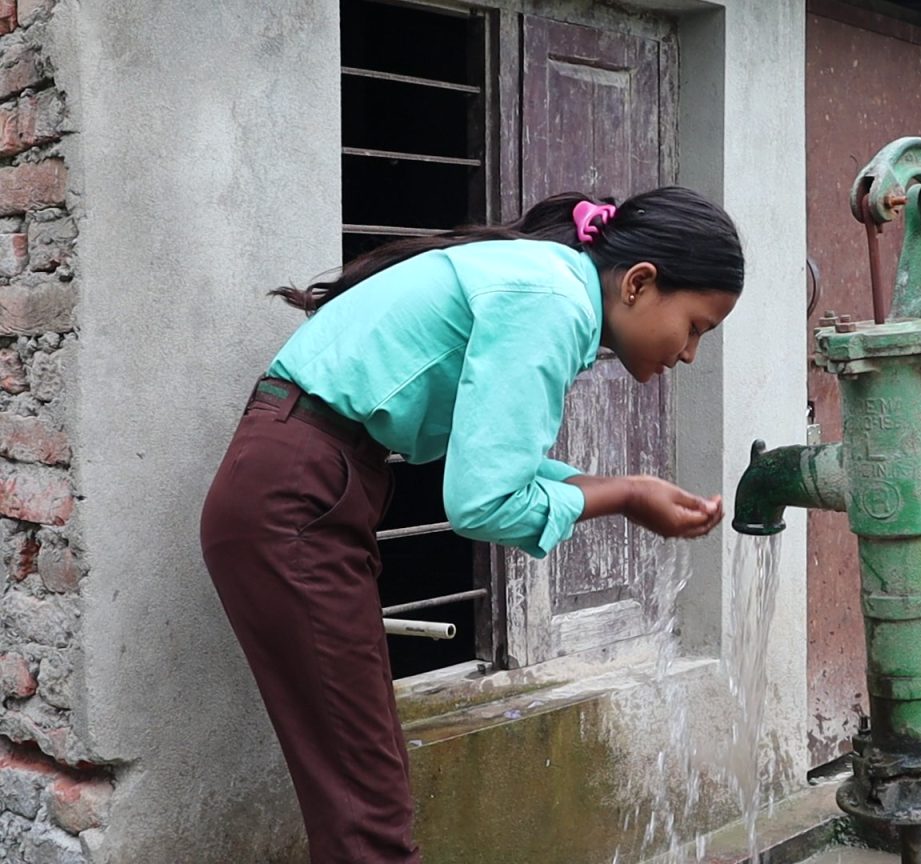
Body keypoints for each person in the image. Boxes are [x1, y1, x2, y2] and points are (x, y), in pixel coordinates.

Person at [200, 186, 744, 864]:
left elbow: (499, 464)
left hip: (301, 482)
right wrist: (625, 496)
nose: (690, 352)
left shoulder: (541, 283)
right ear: (639, 283)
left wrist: (624, 493)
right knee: (367, 813)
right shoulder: (552, 302)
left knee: (365, 791)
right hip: (298, 495)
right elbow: (483, 501)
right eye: (697, 326)